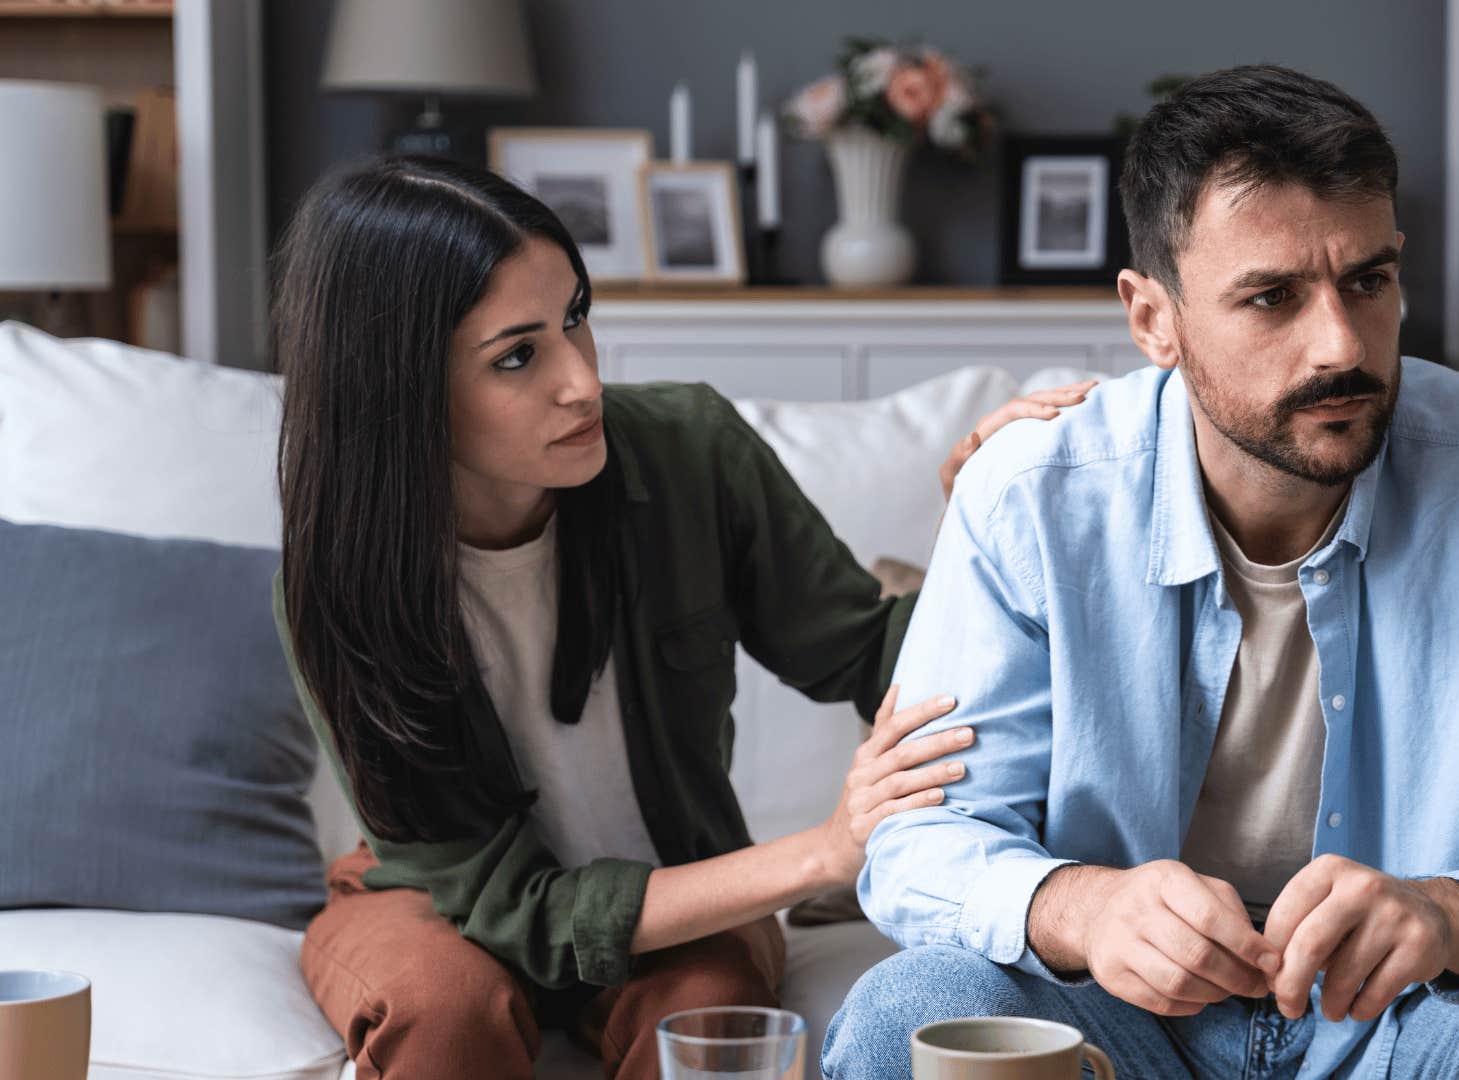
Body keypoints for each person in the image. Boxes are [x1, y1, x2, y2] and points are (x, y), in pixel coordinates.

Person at [825, 65, 1459, 1079]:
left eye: (1369, 281)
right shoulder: (1030, 498)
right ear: (1152, 318)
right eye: (1271, 297)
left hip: (1418, 1015)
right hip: (1116, 1018)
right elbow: (924, 842)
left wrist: (1452, 912)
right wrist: (1083, 907)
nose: (1341, 344)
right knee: (909, 1010)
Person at [270, 154, 1089, 1080]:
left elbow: (869, 655)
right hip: (440, 904)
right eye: (517, 356)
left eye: (575, 318)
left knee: (705, 1020)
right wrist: (823, 853)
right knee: (442, 1010)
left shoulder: (689, 451)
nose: (581, 381)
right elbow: (517, 910)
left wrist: (981, 517)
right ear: (400, 390)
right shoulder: (340, 586)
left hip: (685, 893)